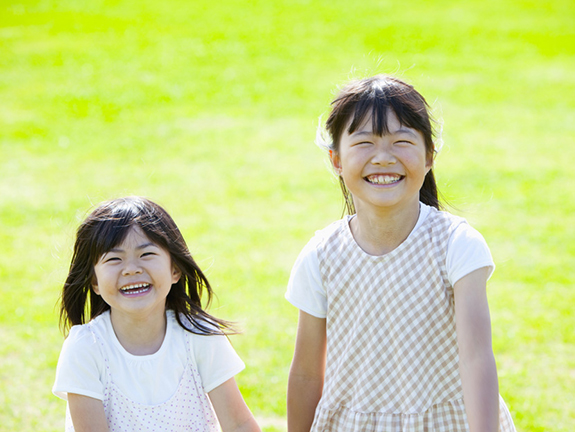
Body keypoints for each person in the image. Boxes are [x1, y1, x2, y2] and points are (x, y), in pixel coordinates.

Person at [285, 75, 516, 432]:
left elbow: (476, 361)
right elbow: (304, 374)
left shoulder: (457, 244)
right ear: (336, 160)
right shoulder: (321, 254)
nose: (383, 158)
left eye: (401, 141)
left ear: (428, 158)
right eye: (364, 142)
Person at [53, 196, 260, 432]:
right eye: (114, 259)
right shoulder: (86, 347)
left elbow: (239, 424)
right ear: (94, 281)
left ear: (175, 269)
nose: (132, 269)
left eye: (146, 254)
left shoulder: (199, 336)